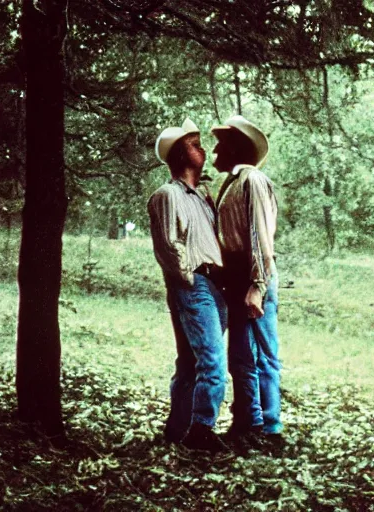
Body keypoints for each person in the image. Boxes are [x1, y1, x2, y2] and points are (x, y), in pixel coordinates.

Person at [148, 118, 229, 454]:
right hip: (194, 284)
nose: (204, 150)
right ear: (182, 153)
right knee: (212, 362)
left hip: (213, 286)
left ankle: (176, 429)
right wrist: (188, 278)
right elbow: (168, 244)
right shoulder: (167, 195)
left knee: (190, 361)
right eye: (196, 144)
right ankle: (200, 430)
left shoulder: (202, 196)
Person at [211, 115, 283, 449]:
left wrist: (259, 284)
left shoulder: (252, 179)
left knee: (265, 352)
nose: (214, 149)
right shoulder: (231, 182)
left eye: (221, 143)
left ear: (236, 148)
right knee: (239, 354)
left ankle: (271, 427)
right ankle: (247, 422)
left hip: (255, 273)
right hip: (237, 275)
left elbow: (260, 236)